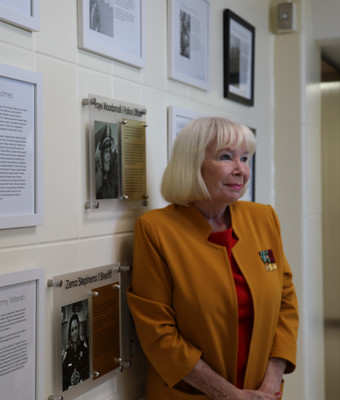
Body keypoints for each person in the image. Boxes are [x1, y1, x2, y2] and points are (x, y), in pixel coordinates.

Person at [127, 117, 299, 399]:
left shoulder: (264, 218)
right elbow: (158, 334)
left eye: (245, 158)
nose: (241, 169)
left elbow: (286, 301)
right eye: (226, 157)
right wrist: (230, 395)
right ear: (193, 163)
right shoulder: (156, 230)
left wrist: (271, 382)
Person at [62, 313, 90, 390]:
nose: (74, 332)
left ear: (79, 329)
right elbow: (62, 376)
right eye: (72, 330)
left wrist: (79, 375)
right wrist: (70, 379)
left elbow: (88, 367)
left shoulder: (84, 348)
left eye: (76, 328)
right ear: (69, 333)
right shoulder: (67, 352)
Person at [96, 125, 119, 199]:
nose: (109, 156)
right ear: (99, 156)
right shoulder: (100, 192)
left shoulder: (113, 186)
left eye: (109, 151)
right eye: (106, 152)